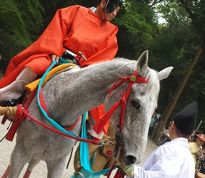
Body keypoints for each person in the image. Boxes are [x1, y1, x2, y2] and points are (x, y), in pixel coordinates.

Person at [0, 0, 122, 138]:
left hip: (83, 68)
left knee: (96, 97)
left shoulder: (111, 32)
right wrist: (54, 50)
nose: (114, 13)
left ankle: (89, 133)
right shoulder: (77, 11)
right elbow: (57, 30)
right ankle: (14, 92)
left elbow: (105, 56)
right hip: (57, 56)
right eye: (113, 8)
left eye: (117, 10)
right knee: (36, 64)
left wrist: (85, 66)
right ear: (104, 2)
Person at [131, 101, 198, 178]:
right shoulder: (190, 160)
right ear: (190, 134)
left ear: (172, 125)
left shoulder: (168, 150)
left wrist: (132, 170)